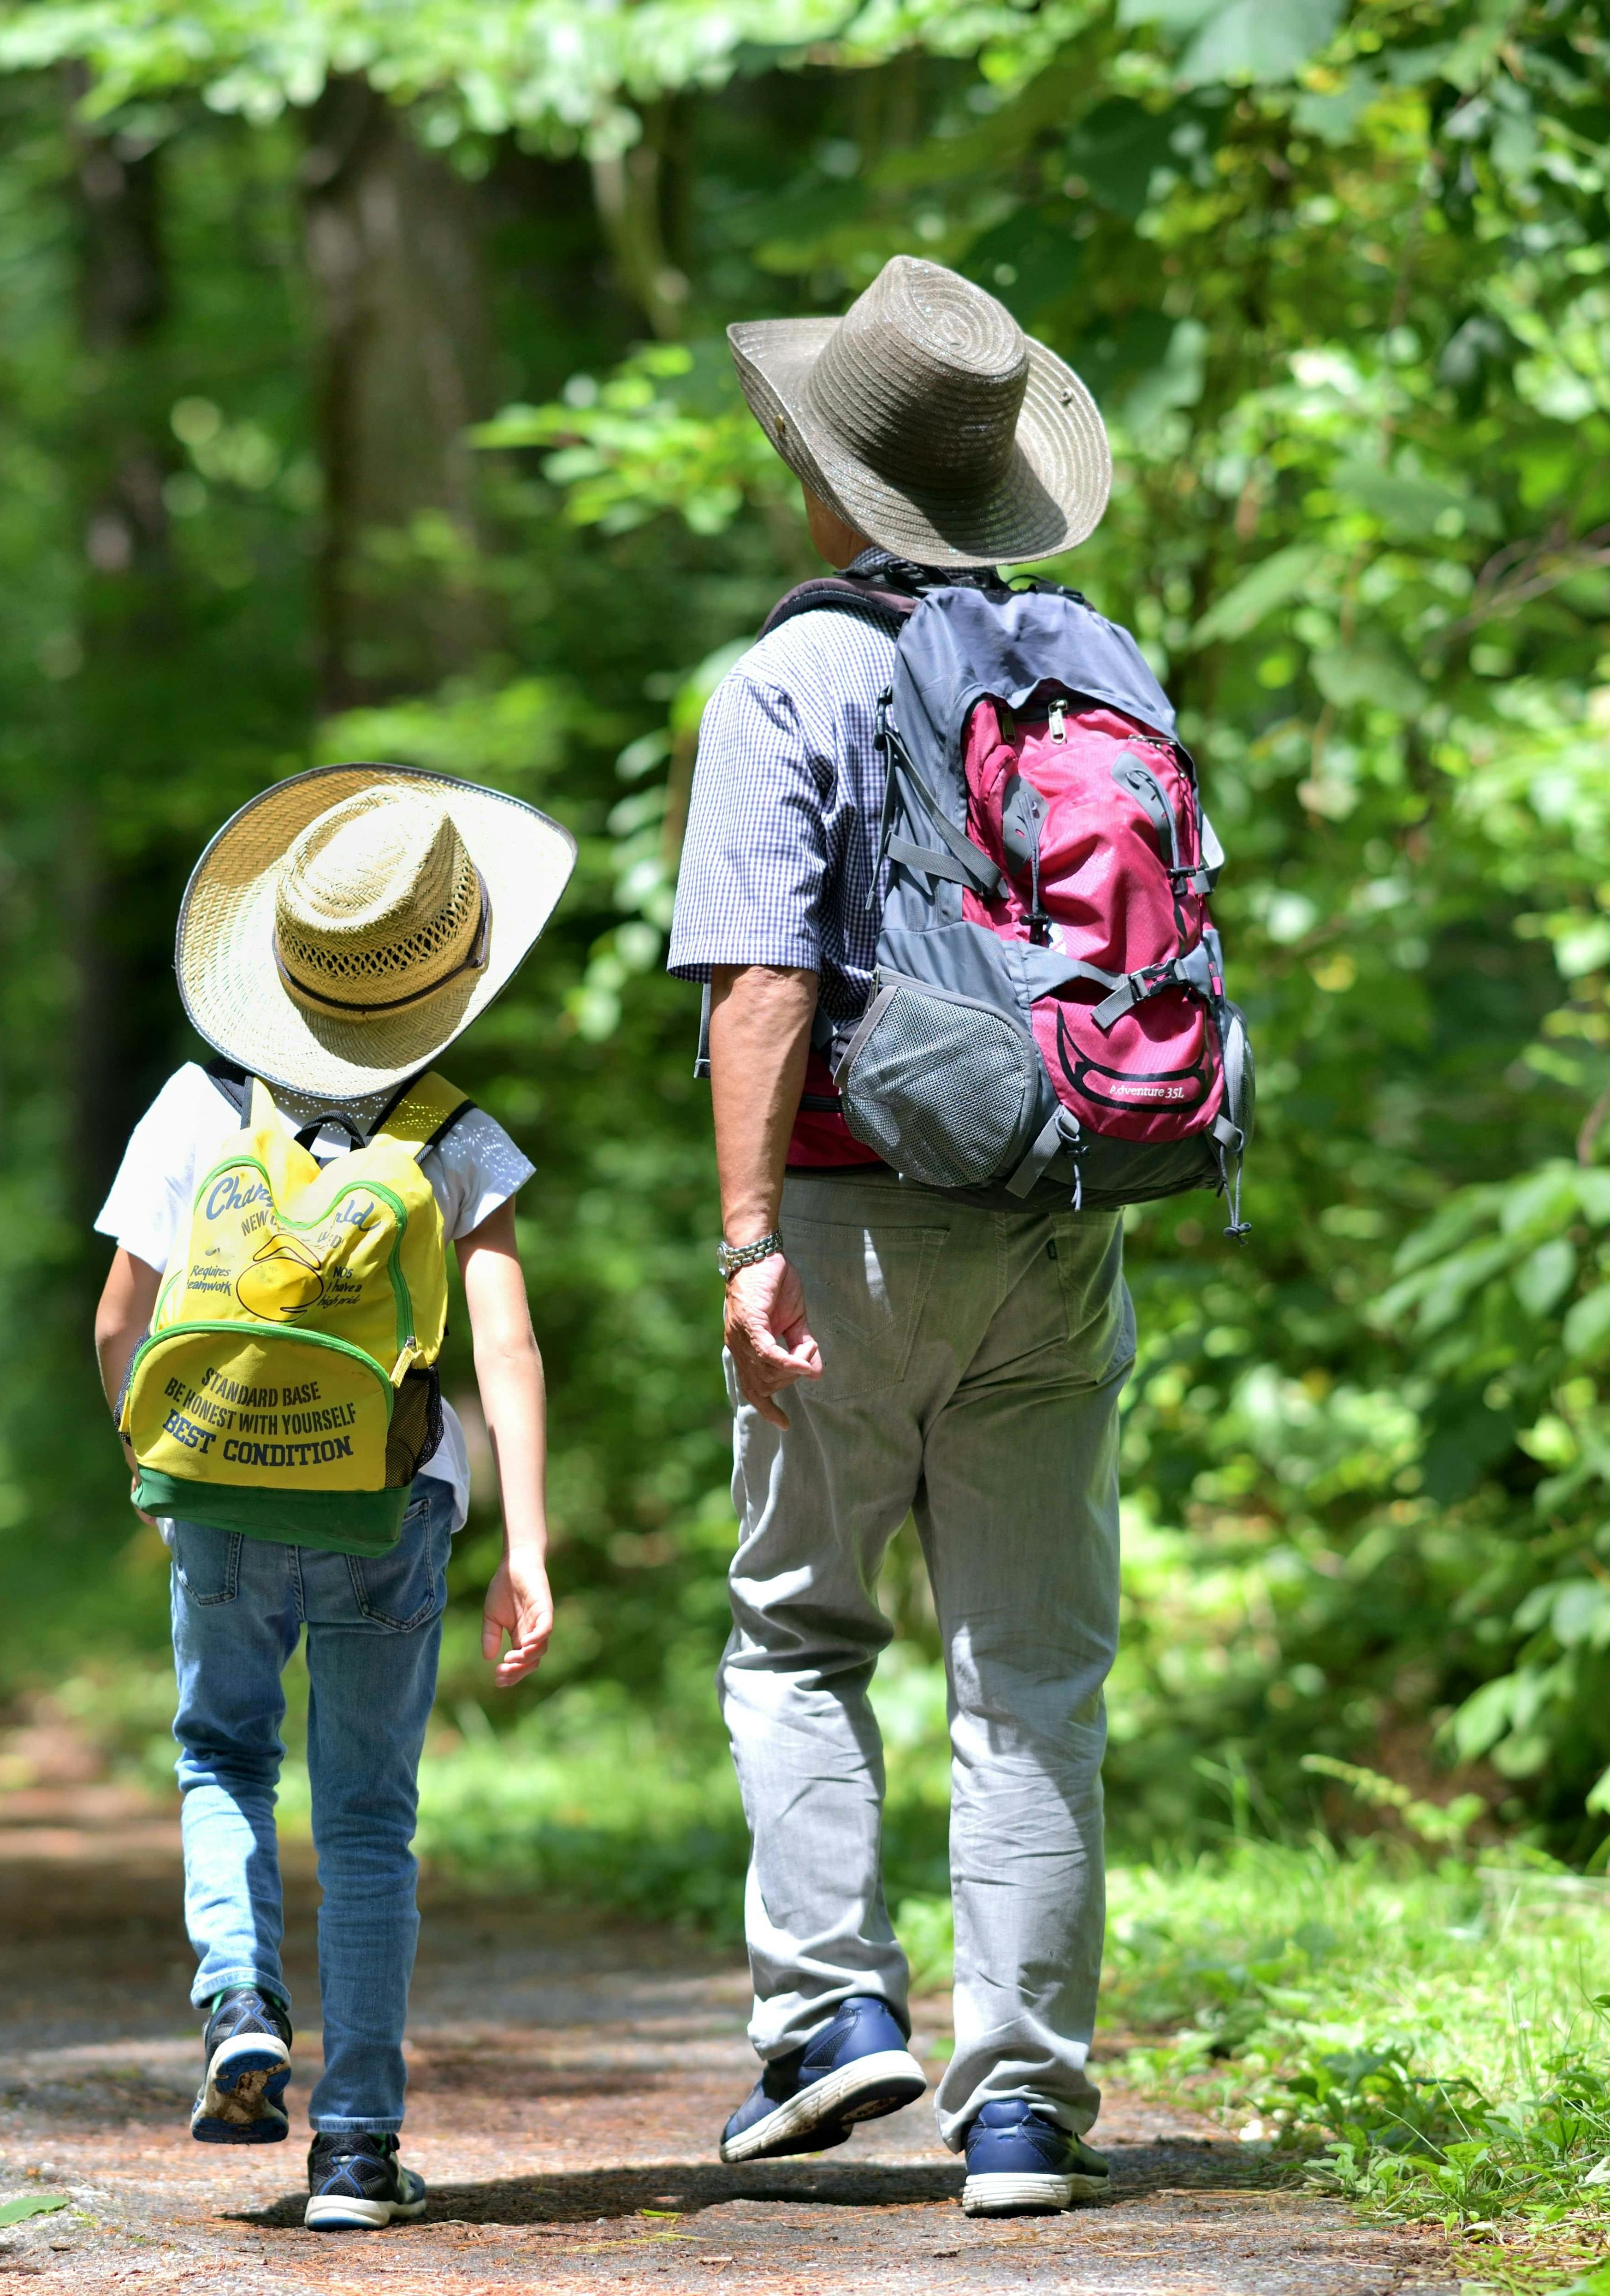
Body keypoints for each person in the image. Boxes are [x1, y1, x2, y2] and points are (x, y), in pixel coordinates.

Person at [668, 255, 1136, 2218]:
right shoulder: (1095, 667)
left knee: (796, 1632)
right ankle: (1020, 2107)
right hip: (1054, 1212)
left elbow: (761, 982)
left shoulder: (785, 679)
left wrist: (744, 1235)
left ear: (821, 476)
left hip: (855, 1214)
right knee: (1027, 1668)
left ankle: (829, 2019)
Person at [89, 764, 573, 2233]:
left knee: (222, 1757)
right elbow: (508, 1341)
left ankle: (239, 1997)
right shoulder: (455, 1135)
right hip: (390, 1505)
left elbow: (120, 1320)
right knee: (368, 1820)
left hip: (224, 1496)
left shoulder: (193, 1109)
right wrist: (527, 1542)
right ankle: (357, 2147)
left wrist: (158, 1471)